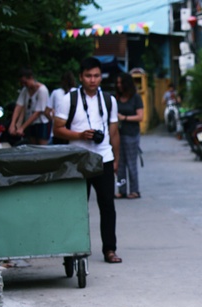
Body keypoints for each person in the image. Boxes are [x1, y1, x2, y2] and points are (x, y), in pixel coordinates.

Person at [53, 57, 123, 264]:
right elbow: (57, 129)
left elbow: (114, 132)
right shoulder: (69, 99)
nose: (93, 80)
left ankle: (109, 249)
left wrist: (116, 160)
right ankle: (72, 251)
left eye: (96, 76)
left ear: (101, 76)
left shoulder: (109, 100)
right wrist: (79, 135)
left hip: (104, 158)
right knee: (76, 206)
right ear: (81, 77)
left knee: (107, 206)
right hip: (77, 159)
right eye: (88, 76)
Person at [115, 72, 144, 199]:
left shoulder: (135, 98)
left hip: (131, 134)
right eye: (117, 83)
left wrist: (124, 118)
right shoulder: (116, 98)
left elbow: (140, 116)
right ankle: (121, 190)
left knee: (131, 163)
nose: (119, 85)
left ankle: (134, 190)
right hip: (118, 134)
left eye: (121, 83)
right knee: (120, 164)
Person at [8, 68, 51, 145]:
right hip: (30, 123)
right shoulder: (25, 90)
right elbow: (19, 106)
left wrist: (22, 128)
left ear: (31, 78)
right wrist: (13, 124)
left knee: (42, 146)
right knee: (32, 145)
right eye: (22, 83)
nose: (24, 85)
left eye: (25, 82)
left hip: (41, 123)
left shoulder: (42, 90)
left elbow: (37, 112)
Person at [45, 71, 77, 144]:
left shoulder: (55, 93)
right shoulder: (77, 92)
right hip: (73, 131)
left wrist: (53, 120)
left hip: (57, 132)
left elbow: (46, 112)